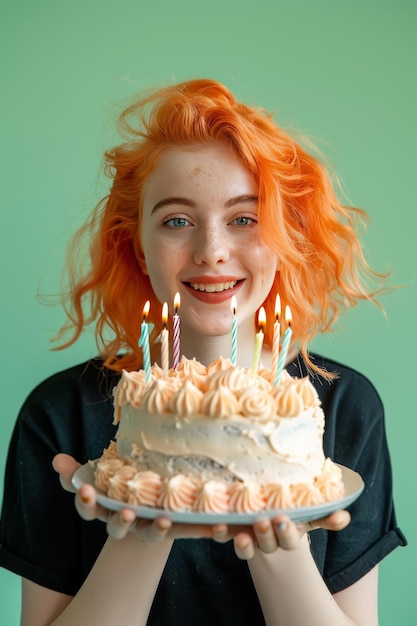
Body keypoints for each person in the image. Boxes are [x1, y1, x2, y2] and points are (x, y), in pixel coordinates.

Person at [0, 78, 406, 626]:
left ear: (284, 236)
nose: (212, 252)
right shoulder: (60, 415)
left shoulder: (341, 406)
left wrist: (278, 535)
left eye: (245, 218)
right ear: (139, 249)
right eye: (176, 221)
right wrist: (139, 526)